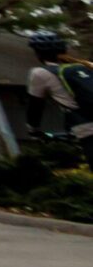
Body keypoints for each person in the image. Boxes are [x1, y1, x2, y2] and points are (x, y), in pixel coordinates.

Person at [25, 32, 93, 168]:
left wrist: (33, 129)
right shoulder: (87, 66)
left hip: (88, 130)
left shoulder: (40, 73)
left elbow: (35, 106)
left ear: (38, 54)